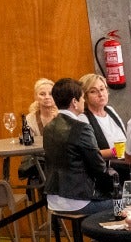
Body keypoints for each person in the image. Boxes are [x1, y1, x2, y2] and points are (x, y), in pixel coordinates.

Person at [42, 77, 115, 215]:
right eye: (82, 98)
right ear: (74, 102)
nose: (84, 101)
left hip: (53, 199)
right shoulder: (81, 128)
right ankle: (101, 236)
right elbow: (98, 166)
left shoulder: (48, 127)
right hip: (78, 200)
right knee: (128, 201)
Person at [76, 74, 130, 163]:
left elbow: (126, 139)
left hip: (126, 162)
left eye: (102, 89)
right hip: (106, 169)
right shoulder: (83, 118)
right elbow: (89, 154)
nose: (100, 94)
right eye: (93, 91)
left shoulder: (110, 110)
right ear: (85, 96)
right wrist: (117, 151)